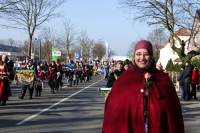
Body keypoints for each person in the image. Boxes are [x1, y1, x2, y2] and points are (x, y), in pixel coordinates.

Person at [102, 40, 184, 133]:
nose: (142, 58)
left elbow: (173, 114)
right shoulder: (124, 79)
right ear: (134, 56)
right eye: (138, 54)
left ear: (151, 56)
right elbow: (113, 111)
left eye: (146, 54)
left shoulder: (163, 80)